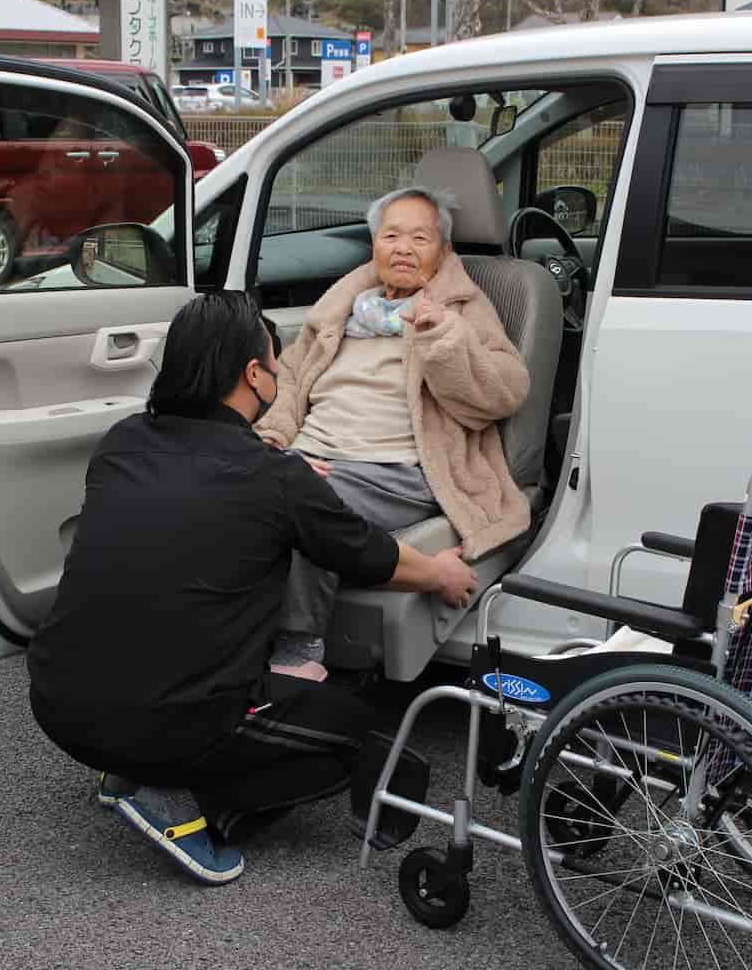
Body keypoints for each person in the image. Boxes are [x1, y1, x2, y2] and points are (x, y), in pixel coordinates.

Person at [26, 290, 479, 886]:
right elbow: (370, 555)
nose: (279, 373)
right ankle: (186, 805)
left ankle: (124, 771)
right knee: (355, 730)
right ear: (252, 375)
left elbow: (188, 505)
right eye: (275, 362)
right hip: (169, 721)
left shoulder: (121, 442)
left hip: (58, 700)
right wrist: (441, 571)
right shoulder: (276, 478)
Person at [257, 186, 531, 680]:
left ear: (443, 252)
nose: (402, 248)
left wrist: (443, 338)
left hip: (396, 470)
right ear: (374, 245)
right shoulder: (345, 304)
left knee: (304, 501)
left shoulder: (460, 310)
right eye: (391, 235)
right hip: (311, 454)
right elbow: (291, 379)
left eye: (419, 237)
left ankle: (299, 654)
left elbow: (503, 393)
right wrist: (276, 439)